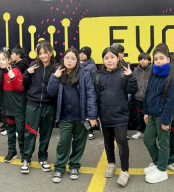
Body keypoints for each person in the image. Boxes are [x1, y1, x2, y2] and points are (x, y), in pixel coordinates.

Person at [48, 48, 97, 183]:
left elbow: (91, 94)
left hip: (81, 117)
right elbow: (50, 93)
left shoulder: (84, 74)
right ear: (63, 59)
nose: (69, 61)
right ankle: (59, 168)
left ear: (77, 61)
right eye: (67, 58)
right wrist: (54, 77)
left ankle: (74, 165)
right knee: (63, 143)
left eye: (73, 58)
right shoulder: (58, 72)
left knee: (79, 143)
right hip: (64, 117)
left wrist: (92, 115)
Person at [95, 47, 137, 186]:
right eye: (106, 58)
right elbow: (96, 97)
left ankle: (125, 171)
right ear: (103, 60)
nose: (109, 60)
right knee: (107, 141)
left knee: (122, 142)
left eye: (112, 57)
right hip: (105, 115)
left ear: (118, 58)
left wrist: (130, 76)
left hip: (120, 115)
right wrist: (96, 114)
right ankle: (111, 164)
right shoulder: (99, 76)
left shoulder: (124, 73)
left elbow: (133, 90)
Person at [142, 46, 174, 184]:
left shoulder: (172, 77)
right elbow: (148, 93)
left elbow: (171, 101)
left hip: (163, 116)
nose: (158, 61)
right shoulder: (153, 73)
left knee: (163, 143)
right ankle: (158, 163)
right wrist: (145, 111)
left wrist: (165, 120)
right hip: (152, 114)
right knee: (148, 140)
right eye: (156, 59)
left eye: (161, 58)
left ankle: (162, 170)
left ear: (168, 59)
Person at [21, 41, 57, 173]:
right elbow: (23, 86)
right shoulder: (33, 65)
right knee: (30, 133)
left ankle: (43, 158)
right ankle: (26, 159)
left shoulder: (56, 68)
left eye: (45, 53)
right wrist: (26, 73)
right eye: (40, 53)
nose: (43, 56)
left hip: (48, 106)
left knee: (46, 134)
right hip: (32, 105)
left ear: (51, 53)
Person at [0, 50, 26, 163]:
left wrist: (13, 77)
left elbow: (20, 88)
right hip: (7, 110)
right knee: (10, 132)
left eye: (3, 59)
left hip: (18, 109)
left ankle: (24, 154)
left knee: (21, 133)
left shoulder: (15, 70)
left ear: (9, 60)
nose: (1, 62)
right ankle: (12, 152)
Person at [131, 53, 152, 140]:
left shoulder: (153, 69)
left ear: (149, 61)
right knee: (139, 115)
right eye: (141, 59)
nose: (143, 61)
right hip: (138, 97)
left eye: (145, 59)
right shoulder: (136, 70)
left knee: (150, 116)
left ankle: (150, 132)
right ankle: (140, 131)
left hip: (150, 98)